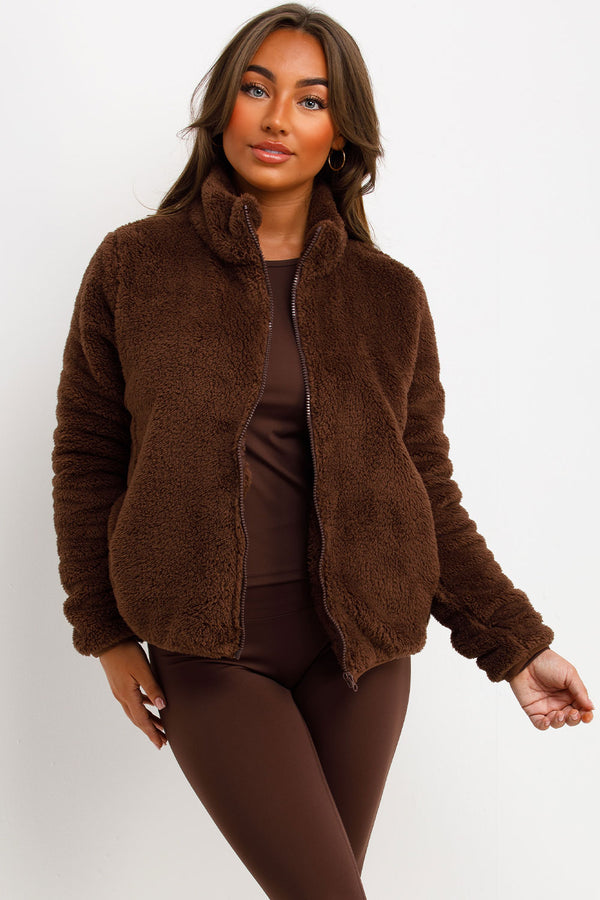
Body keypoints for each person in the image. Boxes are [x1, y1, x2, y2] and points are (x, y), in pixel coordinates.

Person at [51, 4, 594, 898]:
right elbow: (88, 459)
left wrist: (516, 645)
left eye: (310, 101)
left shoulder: (388, 295)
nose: (277, 119)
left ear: (340, 135)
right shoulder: (134, 267)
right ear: (223, 106)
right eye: (256, 89)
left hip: (362, 657)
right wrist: (106, 633)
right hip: (211, 647)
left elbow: (427, 488)